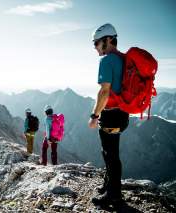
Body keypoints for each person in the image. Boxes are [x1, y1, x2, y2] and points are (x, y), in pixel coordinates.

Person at [88, 23, 129, 206]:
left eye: (97, 43)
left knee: (111, 155)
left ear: (108, 40)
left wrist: (94, 116)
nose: (95, 47)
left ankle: (113, 195)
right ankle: (108, 185)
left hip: (111, 114)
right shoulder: (123, 58)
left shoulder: (106, 61)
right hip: (123, 113)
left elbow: (104, 92)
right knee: (109, 152)